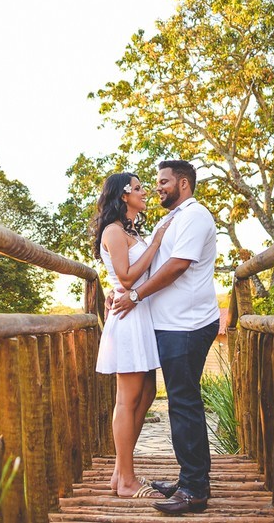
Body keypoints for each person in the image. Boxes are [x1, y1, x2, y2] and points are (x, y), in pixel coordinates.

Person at [111, 159, 220, 515]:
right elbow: (146, 265)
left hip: (186, 325)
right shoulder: (169, 218)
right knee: (179, 402)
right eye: (154, 183)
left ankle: (194, 490)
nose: (157, 187)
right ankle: (189, 478)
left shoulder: (195, 215)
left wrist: (136, 296)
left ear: (183, 184)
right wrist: (120, 290)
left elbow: (177, 265)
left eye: (163, 181)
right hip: (167, 324)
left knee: (184, 403)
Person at [92, 172, 172, 498]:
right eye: (138, 188)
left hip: (141, 316)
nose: (144, 193)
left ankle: (118, 472)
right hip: (128, 317)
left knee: (149, 390)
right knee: (126, 399)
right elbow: (124, 278)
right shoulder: (113, 231)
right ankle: (126, 480)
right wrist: (155, 243)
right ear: (123, 195)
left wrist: (149, 241)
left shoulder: (131, 231)